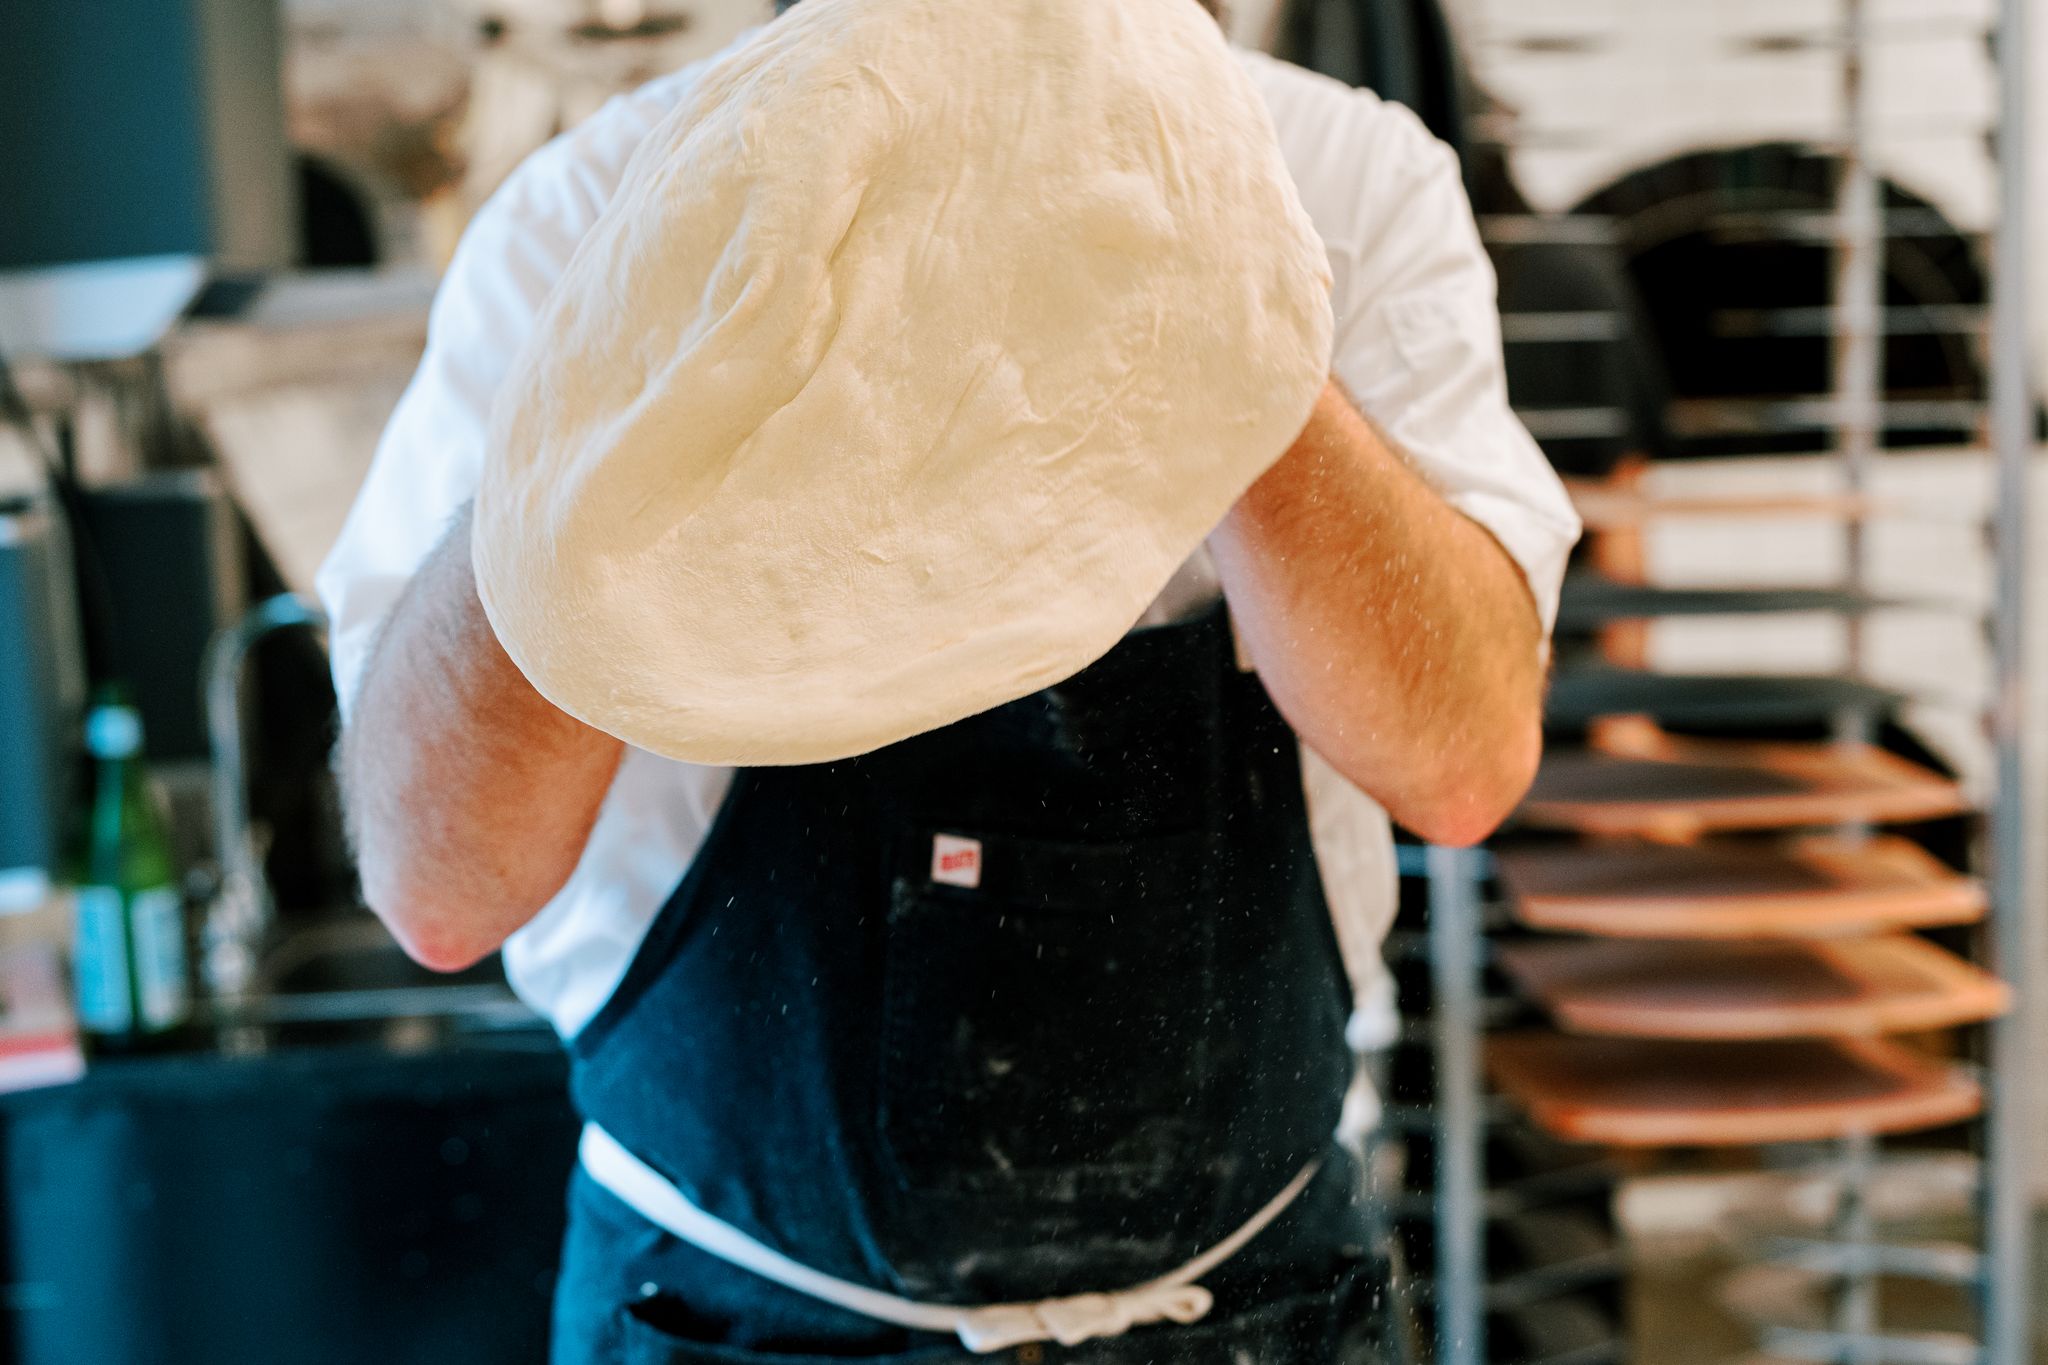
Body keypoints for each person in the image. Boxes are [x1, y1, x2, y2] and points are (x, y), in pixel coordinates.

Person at [320, 2, 1581, 1360]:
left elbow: (1461, 760)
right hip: (726, 1314)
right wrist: (599, 421)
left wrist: (1227, 303)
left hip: (1242, 1307)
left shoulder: (1342, 187)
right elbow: (438, 886)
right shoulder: (592, 225)